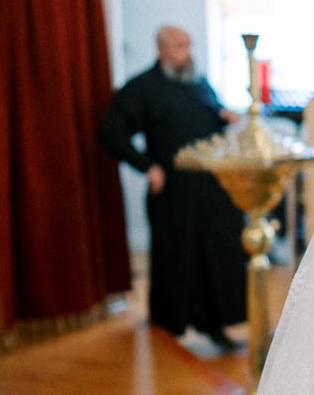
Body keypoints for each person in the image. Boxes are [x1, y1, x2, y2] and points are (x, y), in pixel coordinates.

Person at [98, 26, 245, 349]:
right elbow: (112, 133)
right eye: (179, 46)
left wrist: (224, 116)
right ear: (162, 49)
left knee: (218, 253)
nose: (187, 52)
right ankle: (171, 329)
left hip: (211, 185)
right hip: (174, 189)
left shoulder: (199, 83)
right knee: (178, 258)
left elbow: (207, 118)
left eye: (189, 45)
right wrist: (147, 166)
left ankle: (217, 325)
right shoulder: (142, 88)